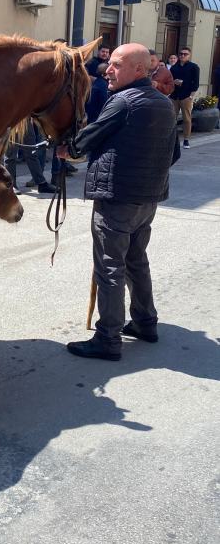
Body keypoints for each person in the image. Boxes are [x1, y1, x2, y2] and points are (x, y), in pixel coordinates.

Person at [57, 43, 179, 360]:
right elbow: (174, 154)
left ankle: (108, 338)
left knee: (110, 267)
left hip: (118, 199)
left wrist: (67, 150)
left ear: (139, 70)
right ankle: (145, 322)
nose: (107, 70)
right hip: (148, 199)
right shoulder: (164, 104)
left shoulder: (123, 101)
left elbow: (87, 139)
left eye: (116, 64)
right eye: (109, 64)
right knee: (136, 261)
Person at [169, 47, 199, 148]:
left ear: (189, 55)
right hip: (174, 95)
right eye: (181, 54)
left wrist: (191, 95)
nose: (182, 56)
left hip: (186, 96)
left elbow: (195, 83)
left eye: (185, 54)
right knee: (172, 118)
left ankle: (186, 139)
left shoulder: (194, 67)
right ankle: (171, 138)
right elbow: (170, 81)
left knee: (186, 118)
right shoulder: (174, 67)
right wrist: (174, 82)